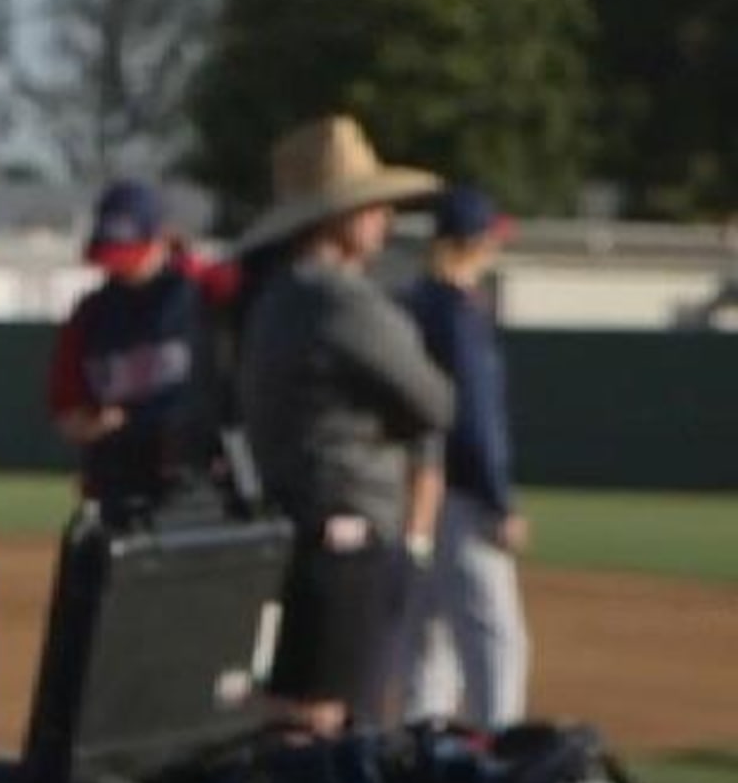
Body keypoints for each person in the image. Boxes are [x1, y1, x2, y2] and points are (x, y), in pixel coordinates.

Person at [231, 116, 455, 740]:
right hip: (347, 530)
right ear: (336, 218)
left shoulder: (277, 295)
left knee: (299, 710)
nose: (385, 219)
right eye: (372, 206)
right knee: (333, 720)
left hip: (300, 522)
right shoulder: (340, 300)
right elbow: (435, 400)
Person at [396, 183, 531, 728]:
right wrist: (499, 501)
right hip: (461, 495)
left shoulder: (410, 305)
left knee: (425, 650)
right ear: (475, 242)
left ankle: (415, 765)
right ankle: (499, 772)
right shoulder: (458, 314)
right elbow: (473, 419)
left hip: (411, 492)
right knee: (495, 645)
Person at [46, 178, 238, 521]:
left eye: (130, 253)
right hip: (119, 487)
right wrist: (94, 425)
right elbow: (67, 409)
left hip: (200, 485)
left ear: (161, 239)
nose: (119, 268)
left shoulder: (209, 289)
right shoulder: (91, 315)